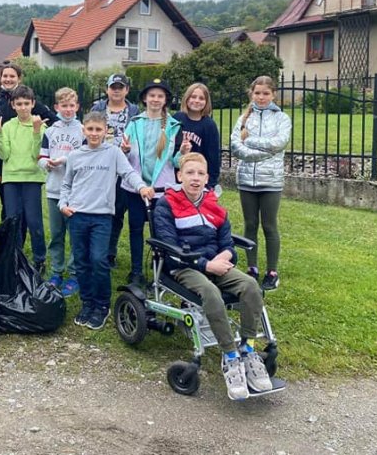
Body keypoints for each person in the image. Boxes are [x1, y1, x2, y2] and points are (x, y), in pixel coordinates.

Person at [152, 152, 273, 400]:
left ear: (207, 178)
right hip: (183, 266)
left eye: (200, 174)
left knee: (250, 285)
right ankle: (230, 356)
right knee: (211, 293)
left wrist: (226, 255)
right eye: (190, 173)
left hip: (215, 263)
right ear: (179, 176)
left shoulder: (214, 205)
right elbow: (169, 247)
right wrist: (206, 265)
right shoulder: (166, 204)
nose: (195, 178)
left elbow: (227, 243)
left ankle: (248, 349)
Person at [59, 111, 154, 331]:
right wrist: (63, 204)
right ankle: (87, 302)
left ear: (105, 131)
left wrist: (141, 187)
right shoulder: (75, 155)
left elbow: (128, 173)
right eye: (90, 129)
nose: (94, 133)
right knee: (81, 261)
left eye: (98, 129)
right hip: (77, 216)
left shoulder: (113, 153)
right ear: (83, 130)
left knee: (98, 260)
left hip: (101, 217)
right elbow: (66, 184)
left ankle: (102, 305)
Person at [230, 76, 292, 290]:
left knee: (269, 225)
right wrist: (263, 152)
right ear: (252, 94)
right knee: (250, 224)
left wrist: (250, 141)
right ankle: (252, 268)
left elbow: (279, 143)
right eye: (257, 93)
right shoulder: (244, 119)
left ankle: (272, 272)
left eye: (266, 93)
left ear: (273, 94)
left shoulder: (282, 118)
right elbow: (236, 147)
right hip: (246, 179)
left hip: (271, 181)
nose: (261, 97)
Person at [120, 78, 181, 287]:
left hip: (161, 189)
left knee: (161, 230)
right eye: (152, 95)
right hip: (136, 188)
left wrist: (183, 153)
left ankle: (160, 270)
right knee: (136, 228)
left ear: (165, 100)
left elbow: (176, 161)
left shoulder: (174, 126)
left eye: (160, 96)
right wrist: (124, 150)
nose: (155, 99)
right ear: (145, 99)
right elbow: (124, 155)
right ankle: (136, 270)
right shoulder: (135, 122)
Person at [0, 85, 47, 272]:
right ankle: (14, 256)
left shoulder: (41, 125)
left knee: (34, 220)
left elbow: (36, 154)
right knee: (12, 219)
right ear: (13, 105)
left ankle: (40, 259)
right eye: (19, 104)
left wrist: (36, 132)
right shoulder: (7, 126)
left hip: (32, 177)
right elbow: (4, 155)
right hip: (11, 178)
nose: (23, 107)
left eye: (26, 103)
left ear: (33, 104)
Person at [0, 63, 57, 220]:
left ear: (19, 79)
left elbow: (54, 122)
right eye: (5, 76)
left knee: (27, 211)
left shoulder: (30, 101)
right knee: (9, 208)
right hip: (8, 165)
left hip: (29, 167)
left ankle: (19, 233)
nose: (8, 79)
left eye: (12, 76)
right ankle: (10, 235)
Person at [90, 73, 140, 268]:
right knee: (99, 210)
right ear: (107, 89)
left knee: (117, 212)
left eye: (120, 87)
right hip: (100, 167)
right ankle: (97, 250)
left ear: (127, 90)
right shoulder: (97, 109)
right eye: (113, 87)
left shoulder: (134, 112)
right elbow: (89, 132)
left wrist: (129, 149)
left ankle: (109, 253)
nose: (116, 91)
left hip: (124, 168)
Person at [38, 86, 83, 296]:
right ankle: (57, 271)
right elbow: (41, 156)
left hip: (76, 191)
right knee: (56, 234)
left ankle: (74, 274)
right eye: (64, 105)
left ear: (77, 107)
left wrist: (64, 160)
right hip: (54, 189)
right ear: (56, 107)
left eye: (71, 105)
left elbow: (84, 156)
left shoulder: (82, 130)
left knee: (75, 235)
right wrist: (46, 163)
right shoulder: (50, 131)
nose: (68, 109)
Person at [174, 82, 221, 191]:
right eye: (193, 97)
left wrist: (211, 183)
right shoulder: (177, 119)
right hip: (177, 176)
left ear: (206, 102)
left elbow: (213, 157)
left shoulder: (209, 125)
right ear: (186, 98)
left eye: (201, 98)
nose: (196, 101)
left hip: (198, 178)